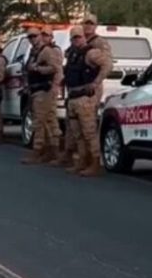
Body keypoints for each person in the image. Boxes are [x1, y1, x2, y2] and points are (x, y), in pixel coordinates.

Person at [63, 26, 113, 176]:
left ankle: (95, 163)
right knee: (77, 134)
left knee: (89, 133)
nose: (76, 40)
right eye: (74, 38)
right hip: (73, 96)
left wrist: (96, 82)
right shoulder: (72, 54)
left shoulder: (91, 53)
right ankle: (82, 161)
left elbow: (108, 65)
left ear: (84, 37)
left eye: (79, 37)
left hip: (85, 98)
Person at [21, 26, 63, 165]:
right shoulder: (34, 51)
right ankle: (52, 152)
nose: (32, 39)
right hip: (36, 89)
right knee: (48, 121)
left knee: (39, 121)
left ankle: (38, 150)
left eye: (35, 36)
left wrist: (37, 68)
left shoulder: (47, 51)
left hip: (44, 90)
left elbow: (55, 68)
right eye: (30, 37)